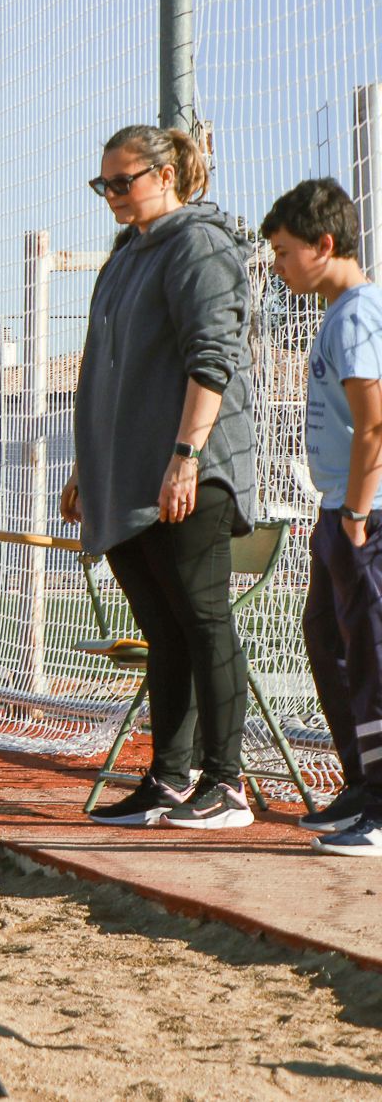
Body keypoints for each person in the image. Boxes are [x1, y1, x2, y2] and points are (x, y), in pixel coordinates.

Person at [63, 126, 258, 830]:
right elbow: (102, 367)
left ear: (168, 172)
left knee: (203, 618)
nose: (112, 195)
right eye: (103, 185)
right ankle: (169, 779)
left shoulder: (199, 242)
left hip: (188, 470)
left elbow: (214, 354)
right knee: (163, 627)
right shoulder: (124, 255)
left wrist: (186, 454)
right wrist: (87, 466)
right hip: (127, 474)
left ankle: (228, 784)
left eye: (124, 181)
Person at [263, 177, 382, 854]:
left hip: (365, 513)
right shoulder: (338, 313)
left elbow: (375, 424)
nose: (277, 267)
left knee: (371, 654)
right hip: (338, 507)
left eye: (283, 252)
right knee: (327, 641)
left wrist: (358, 517)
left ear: (324, 244)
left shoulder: (361, 313)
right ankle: (362, 782)